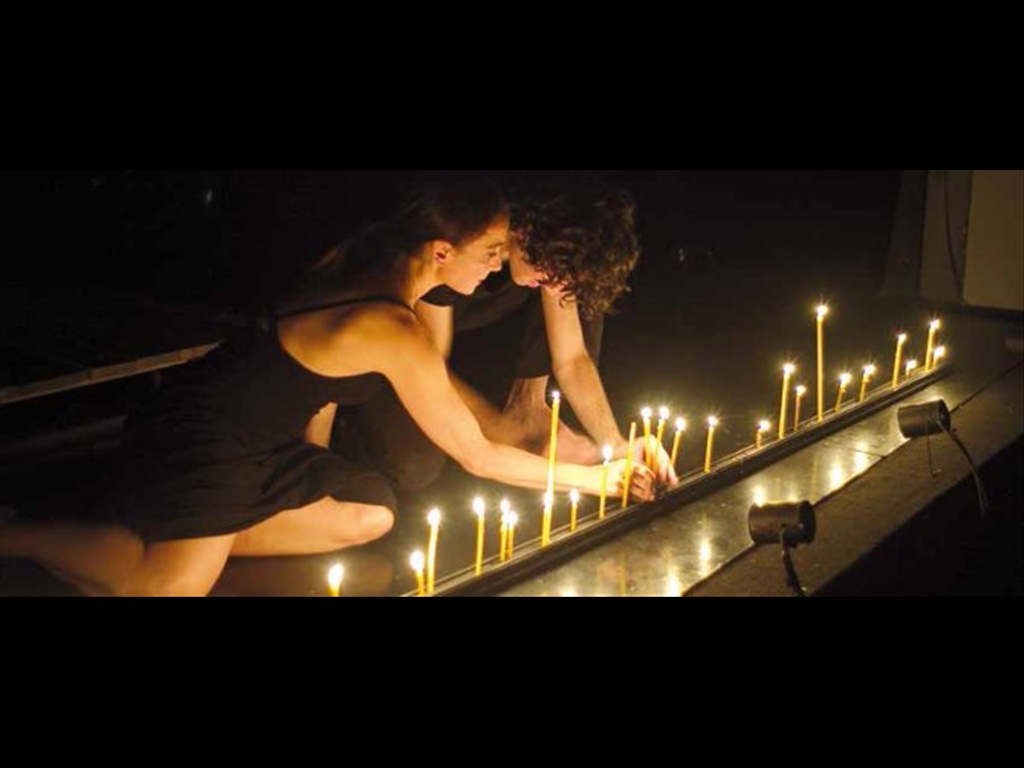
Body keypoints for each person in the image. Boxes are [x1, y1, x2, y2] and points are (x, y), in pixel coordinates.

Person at [0, 179, 654, 597]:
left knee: (372, 513)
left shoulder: (376, 262)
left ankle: (189, 530)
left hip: (256, 435)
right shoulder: (390, 326)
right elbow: (477, 455)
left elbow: (318, 383)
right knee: (168, 588)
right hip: (207, 433)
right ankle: (19, 533)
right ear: (441, 251)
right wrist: (598, 481)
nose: (496, 269)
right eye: (489, 254)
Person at [323, 178, 678, 495]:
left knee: (574, 296)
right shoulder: (458, 242)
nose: (555, 286)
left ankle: (531, 410)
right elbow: (432, 369)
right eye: (550, 272)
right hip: (402, 337)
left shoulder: (549, 257)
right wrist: (505, 435)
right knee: (415, 465)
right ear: (524, 233)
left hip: (464, 308)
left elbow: (572, 358)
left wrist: (616, 446)